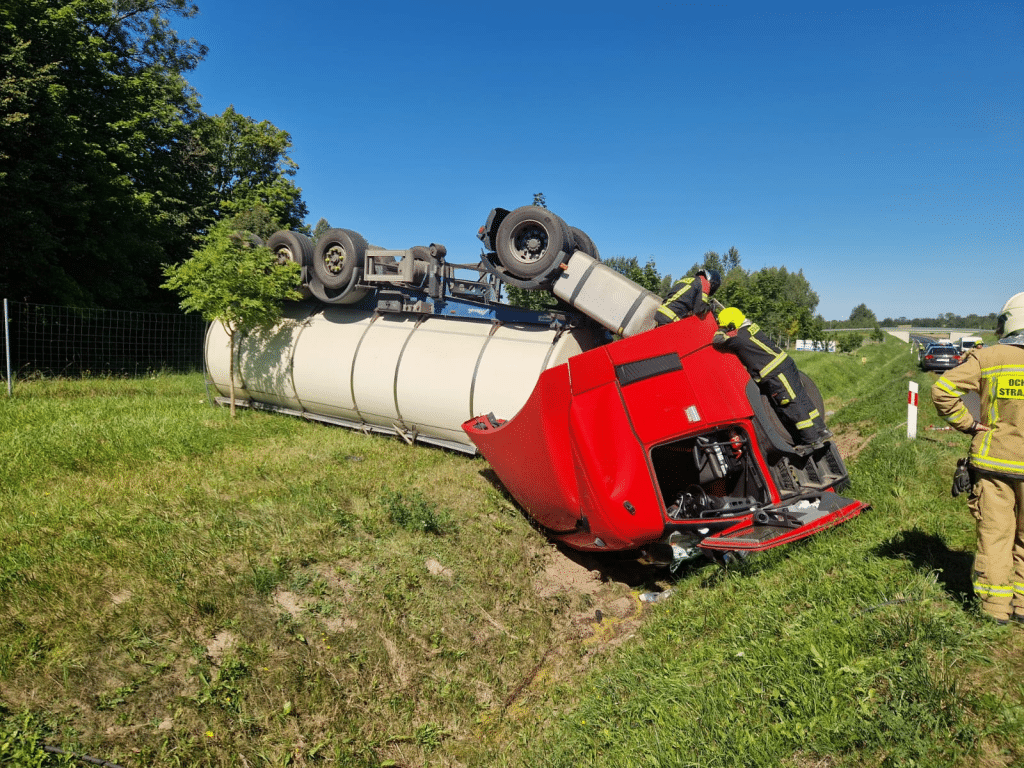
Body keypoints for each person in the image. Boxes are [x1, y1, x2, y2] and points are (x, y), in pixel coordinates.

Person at [931, 292, 1024, 626]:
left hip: (994, 465)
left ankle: (995, 611)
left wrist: (969, 424)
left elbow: (942, 391)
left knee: (996, 536)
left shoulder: (990, 358)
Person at [712, 306, 831, 449]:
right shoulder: (750, 327)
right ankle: (821, 430)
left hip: (776, 372)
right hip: (785, 364)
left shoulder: (739, 338)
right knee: (801, 398)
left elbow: (717, 340)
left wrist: (722, 328)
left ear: (731, 324)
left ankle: (811, 440)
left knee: (791, 404)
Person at [655, 268, 721, 325]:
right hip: (671, 318)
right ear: (713, 284)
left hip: (661, 313)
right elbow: (699, 309)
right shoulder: (705, 283)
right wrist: (709, 307)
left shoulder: (689, 280)